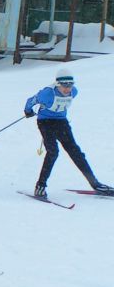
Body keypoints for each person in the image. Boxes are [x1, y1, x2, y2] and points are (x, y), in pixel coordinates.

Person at [24, 68, 111, 198]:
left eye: (70, 85)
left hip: (61, 122)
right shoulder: (47, 94)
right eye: (64, 85)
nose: (67, 88)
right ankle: (40, 186)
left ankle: (96, 184)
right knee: (53, 152)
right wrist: (28, 111)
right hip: (45, 123)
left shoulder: (74, 92)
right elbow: (31, 101)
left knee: (75, 152)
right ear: (58, 84)